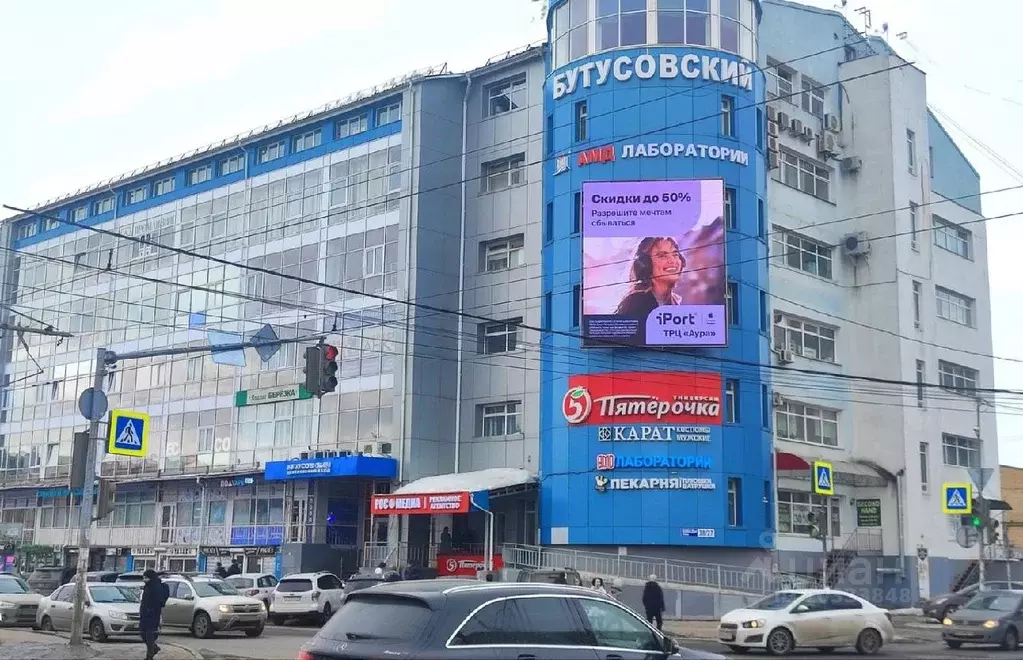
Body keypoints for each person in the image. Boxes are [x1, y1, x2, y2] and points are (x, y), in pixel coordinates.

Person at [615, 236, 686, 324]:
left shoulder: (674, 303)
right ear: (646, 264)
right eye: (662, 256)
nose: (672, 260)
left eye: (675, 254)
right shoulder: (636, 304)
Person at [140, 569, 169, 660]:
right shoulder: (148, 586)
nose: (144, 579)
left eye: (146, 577)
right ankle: (154, 648)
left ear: (150, 578)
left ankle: (149, 655)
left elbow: (159, 601)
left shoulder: (156, 587)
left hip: (153, 615)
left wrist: (151, 609)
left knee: (149, 634)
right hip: (144, 614)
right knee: (143, 633)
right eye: (144, 577)